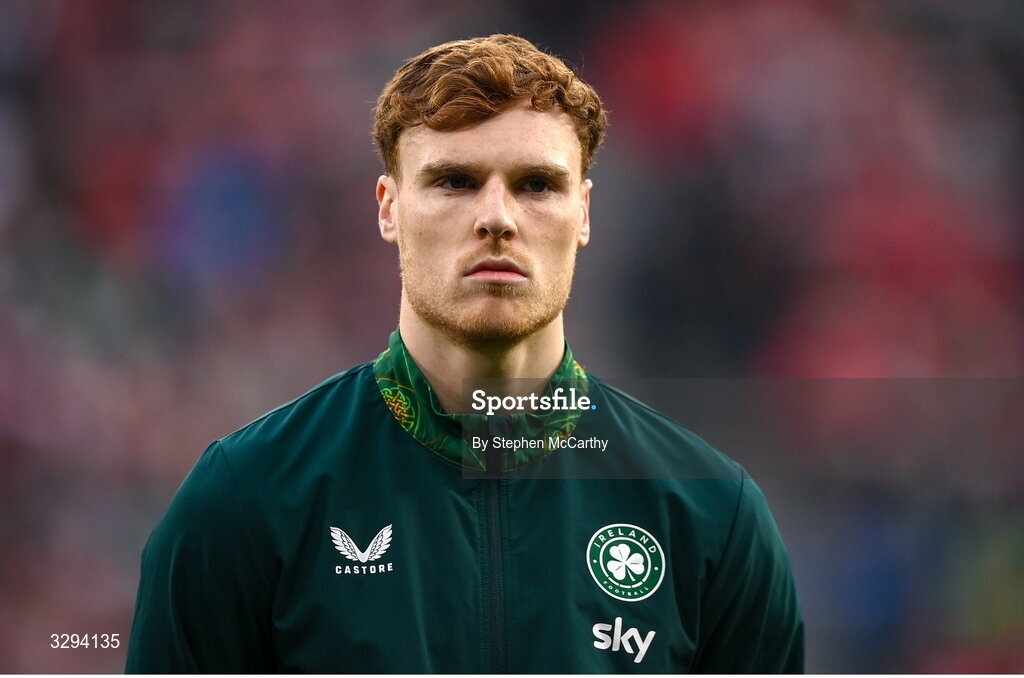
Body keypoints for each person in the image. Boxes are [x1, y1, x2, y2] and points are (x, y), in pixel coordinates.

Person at [126, 34, 804, 673]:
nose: (497, 217)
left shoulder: (711, 515)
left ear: (586, 212)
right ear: (389, 208)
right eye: (454, 181)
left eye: (538, 184)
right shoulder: (246, 501)